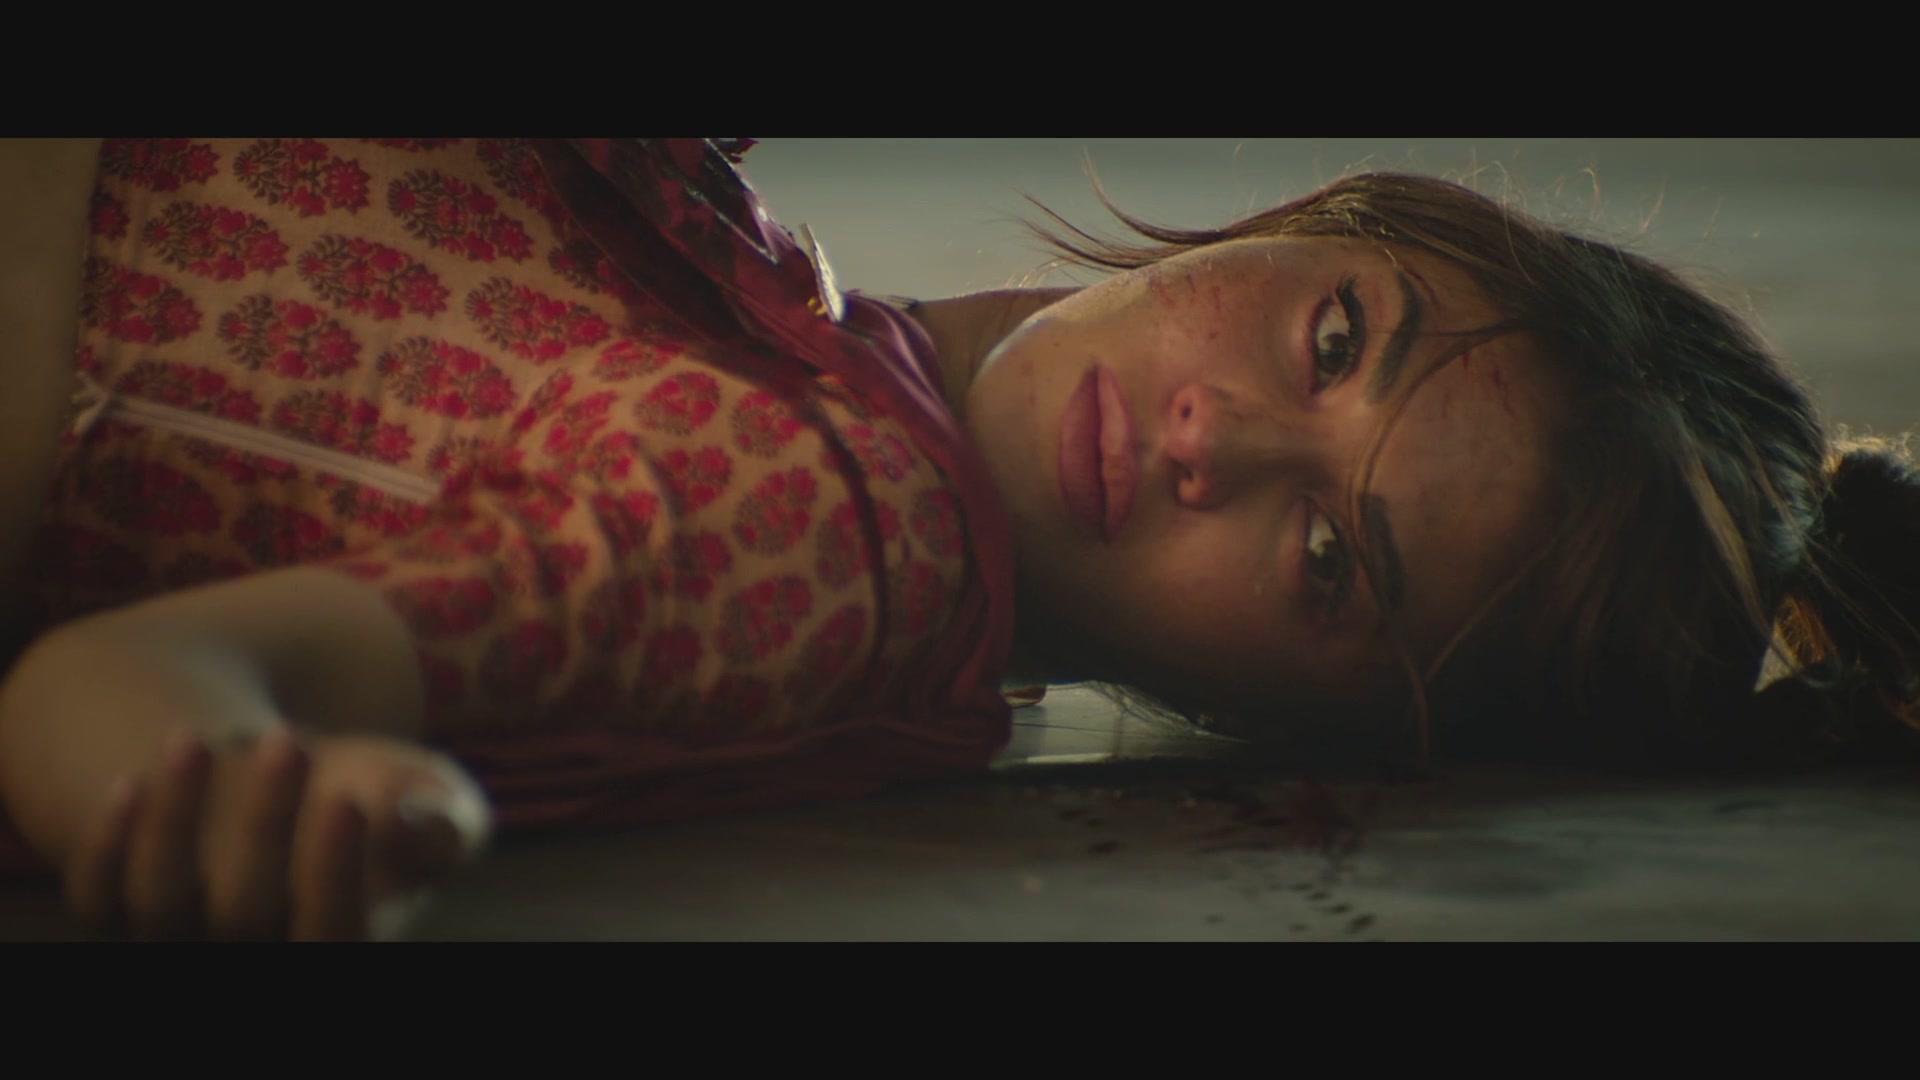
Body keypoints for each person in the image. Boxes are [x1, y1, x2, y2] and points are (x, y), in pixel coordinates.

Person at [0, 139, 1911, 940]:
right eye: (1334, 339)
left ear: (1318, 735)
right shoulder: (819, 337)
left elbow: (127, 687)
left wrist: (231, 800)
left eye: (1333, 561)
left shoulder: (826, 535)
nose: (1213, 440)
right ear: (1321, 223)